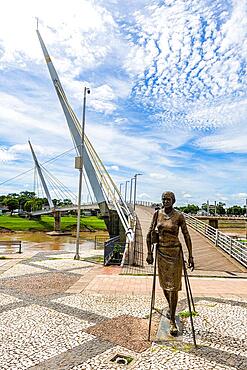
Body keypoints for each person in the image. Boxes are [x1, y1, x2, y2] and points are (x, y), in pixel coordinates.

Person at [146, 191, 194, 335]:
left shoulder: (179, 215)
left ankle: (172, 319)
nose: (165, 201)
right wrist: (149, 252)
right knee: (165, 285)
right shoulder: (157, 214)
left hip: (175, 254)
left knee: (174, 287)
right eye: (163, 199)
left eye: (168, 199)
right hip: (161, 253)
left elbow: (186, 235)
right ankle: (170, 306)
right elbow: (149, 233)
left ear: (173, 201)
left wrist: (191, 256)